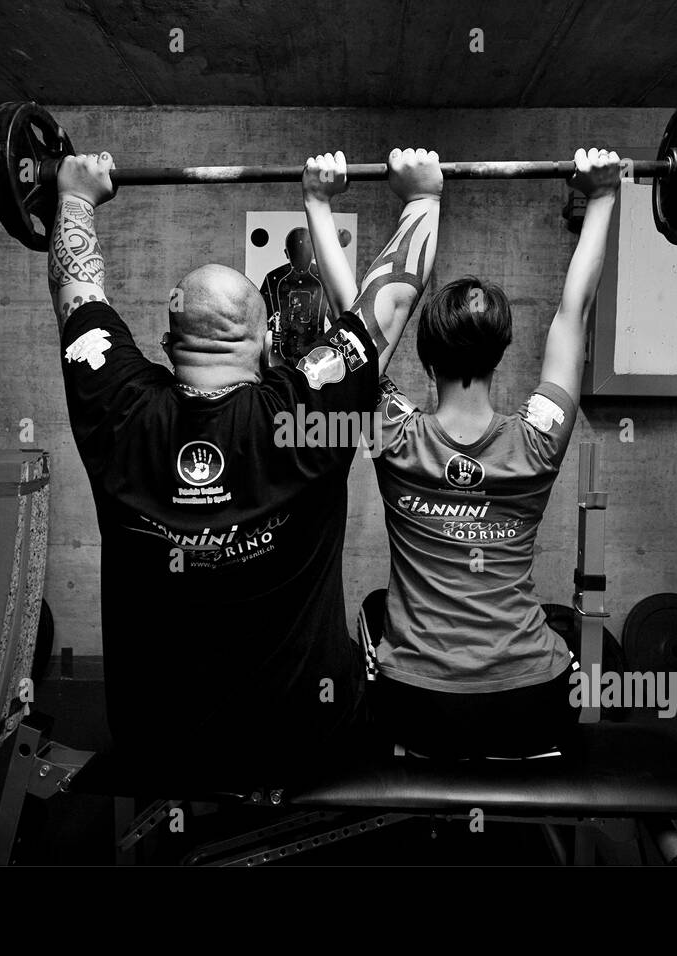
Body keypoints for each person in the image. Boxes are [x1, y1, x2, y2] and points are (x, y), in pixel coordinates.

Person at [47, 147, 441, 789]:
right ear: (264, 343)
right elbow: (389, 304)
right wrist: (423, 197)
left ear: (170, 340)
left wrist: (74, 197)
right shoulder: (308, 410)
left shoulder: (116, 406)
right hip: (303, 739)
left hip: (157, 745)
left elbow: (77, 291)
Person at [305, 147, 622, 759]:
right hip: (533, 701)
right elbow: (572, 313)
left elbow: (357, 325)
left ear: (425, 359)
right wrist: (604, 197)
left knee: (373, 617)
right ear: (500, 353)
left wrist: (317, 203)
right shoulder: (539, 437)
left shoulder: (394, 432)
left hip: (419, 707)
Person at [259, 227, 332, 363]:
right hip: (285, 352)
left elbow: (260, 318)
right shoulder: (273, 279)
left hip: (313, 352)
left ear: (286, 253)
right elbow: (261, 317)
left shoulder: (274, 278)